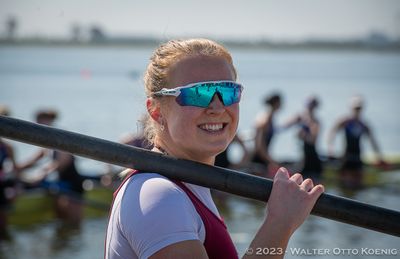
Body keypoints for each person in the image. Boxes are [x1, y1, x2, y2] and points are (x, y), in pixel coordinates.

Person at [105, 38, 324, 259]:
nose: (218, 108)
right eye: (199, 94)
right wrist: (280, 223)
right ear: (156, 111)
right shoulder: (158, 196)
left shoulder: (185, 188)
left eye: (228, 92)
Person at [19, 109, 84, 226]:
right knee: (61, 219)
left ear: (49, 121)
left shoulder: (60, 136)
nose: (38, 125)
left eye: (40, 122)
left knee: (74, 223)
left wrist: (41, 175)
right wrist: (18, 168)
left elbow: (61, 162)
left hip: (73, 184)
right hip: (61, 182)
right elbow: (37, 158)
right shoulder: (47, 139)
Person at [328, 96, 385, 188]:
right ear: (351, 108)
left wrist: (379, 157)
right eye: (355, 108)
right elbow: (332, 133)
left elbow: (373, 142)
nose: (357, 110)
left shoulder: (364, 125)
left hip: (358, 157)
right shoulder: (345, 121)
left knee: (357, 185)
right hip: (346, 157)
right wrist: (331, 149)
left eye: (359, 108)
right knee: (343, 185)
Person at [283, 96, 323, 181]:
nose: (309, 109)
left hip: (312, 158)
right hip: (303, 157)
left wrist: (303, 134)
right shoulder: (301, 118)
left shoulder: (315, 122)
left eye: (311, 107)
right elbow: (284, 126)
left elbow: (312, 140)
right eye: (308, 106)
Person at [0, 105, 21, 239]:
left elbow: (15, 170)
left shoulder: (8, 148)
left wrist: (16, 187)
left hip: (1, 188)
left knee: (3, 225)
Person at [250, 93, 281, 177]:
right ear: (276, 103)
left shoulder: (268, 117)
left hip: (263, 160)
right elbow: (259, 145)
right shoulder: (265, 119)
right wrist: (271, 161)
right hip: (258, 161)